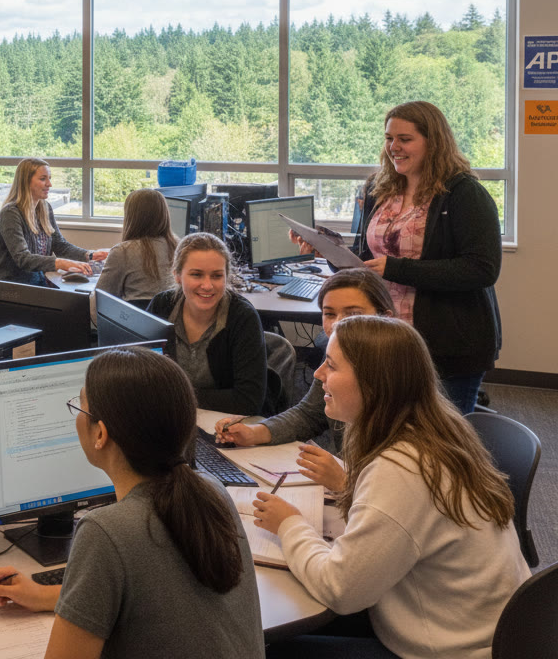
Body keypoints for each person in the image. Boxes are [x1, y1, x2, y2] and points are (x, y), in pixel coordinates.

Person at [255, 316, 528, 659]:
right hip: (485, 628)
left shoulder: (401, 469)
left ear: (373, 383)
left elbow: (341, 590)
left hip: (449, 649)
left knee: (267, 646)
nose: (318, 374)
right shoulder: (435, 427)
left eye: (332, 365)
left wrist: (289, 524)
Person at [0, 347, 263, 658]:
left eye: (80, 408)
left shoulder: (105, 532)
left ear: (100, 433)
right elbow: (157, 596)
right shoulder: (212, 491)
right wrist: (46, 596)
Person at [292, 101, 501, 415]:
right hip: (384, 337)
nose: (394, 147)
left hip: (447, 342)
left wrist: (396, 268)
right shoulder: (380, 189)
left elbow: (482, 269)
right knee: (384, 425)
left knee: (440, 438)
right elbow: (366, 262)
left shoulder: (463, 193)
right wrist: (329, 251)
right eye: (389, 138)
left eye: (405, 139)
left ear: (434, 142)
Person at [214, 269, 394, 492]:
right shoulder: (337, 353)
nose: (337, 324)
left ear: (385, 318)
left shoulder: (396, 377)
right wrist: (255, 433)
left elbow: (398, 487)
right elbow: (309, 414)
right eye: (329, 314)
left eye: (353, 313)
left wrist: (346, 483)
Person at [146, 232, 273, 416]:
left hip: (229, 423)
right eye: (196, 275)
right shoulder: (161, 307)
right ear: (177, 275)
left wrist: (176, 397)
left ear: (227, 277)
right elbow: (140, 372)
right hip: (171, 417)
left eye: (216, 276)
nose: (207, 285)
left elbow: (248, 400)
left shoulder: (242, 317)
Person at [0, 158, 107, 285]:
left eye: (49, 178)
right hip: (10, 286)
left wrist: (89, 255)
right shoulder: (10, 213)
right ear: (26, 182)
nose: (49, 184)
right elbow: (23, 259)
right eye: (43, 179)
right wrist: (61, 263)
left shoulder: (44, 208)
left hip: (37, 282)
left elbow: (60, 245)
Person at [95, 188, 177, 307]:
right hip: (172, 322)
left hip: (133, 323)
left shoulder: (123, 252)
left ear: (130, 217)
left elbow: (100, 300)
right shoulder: (181, 247)